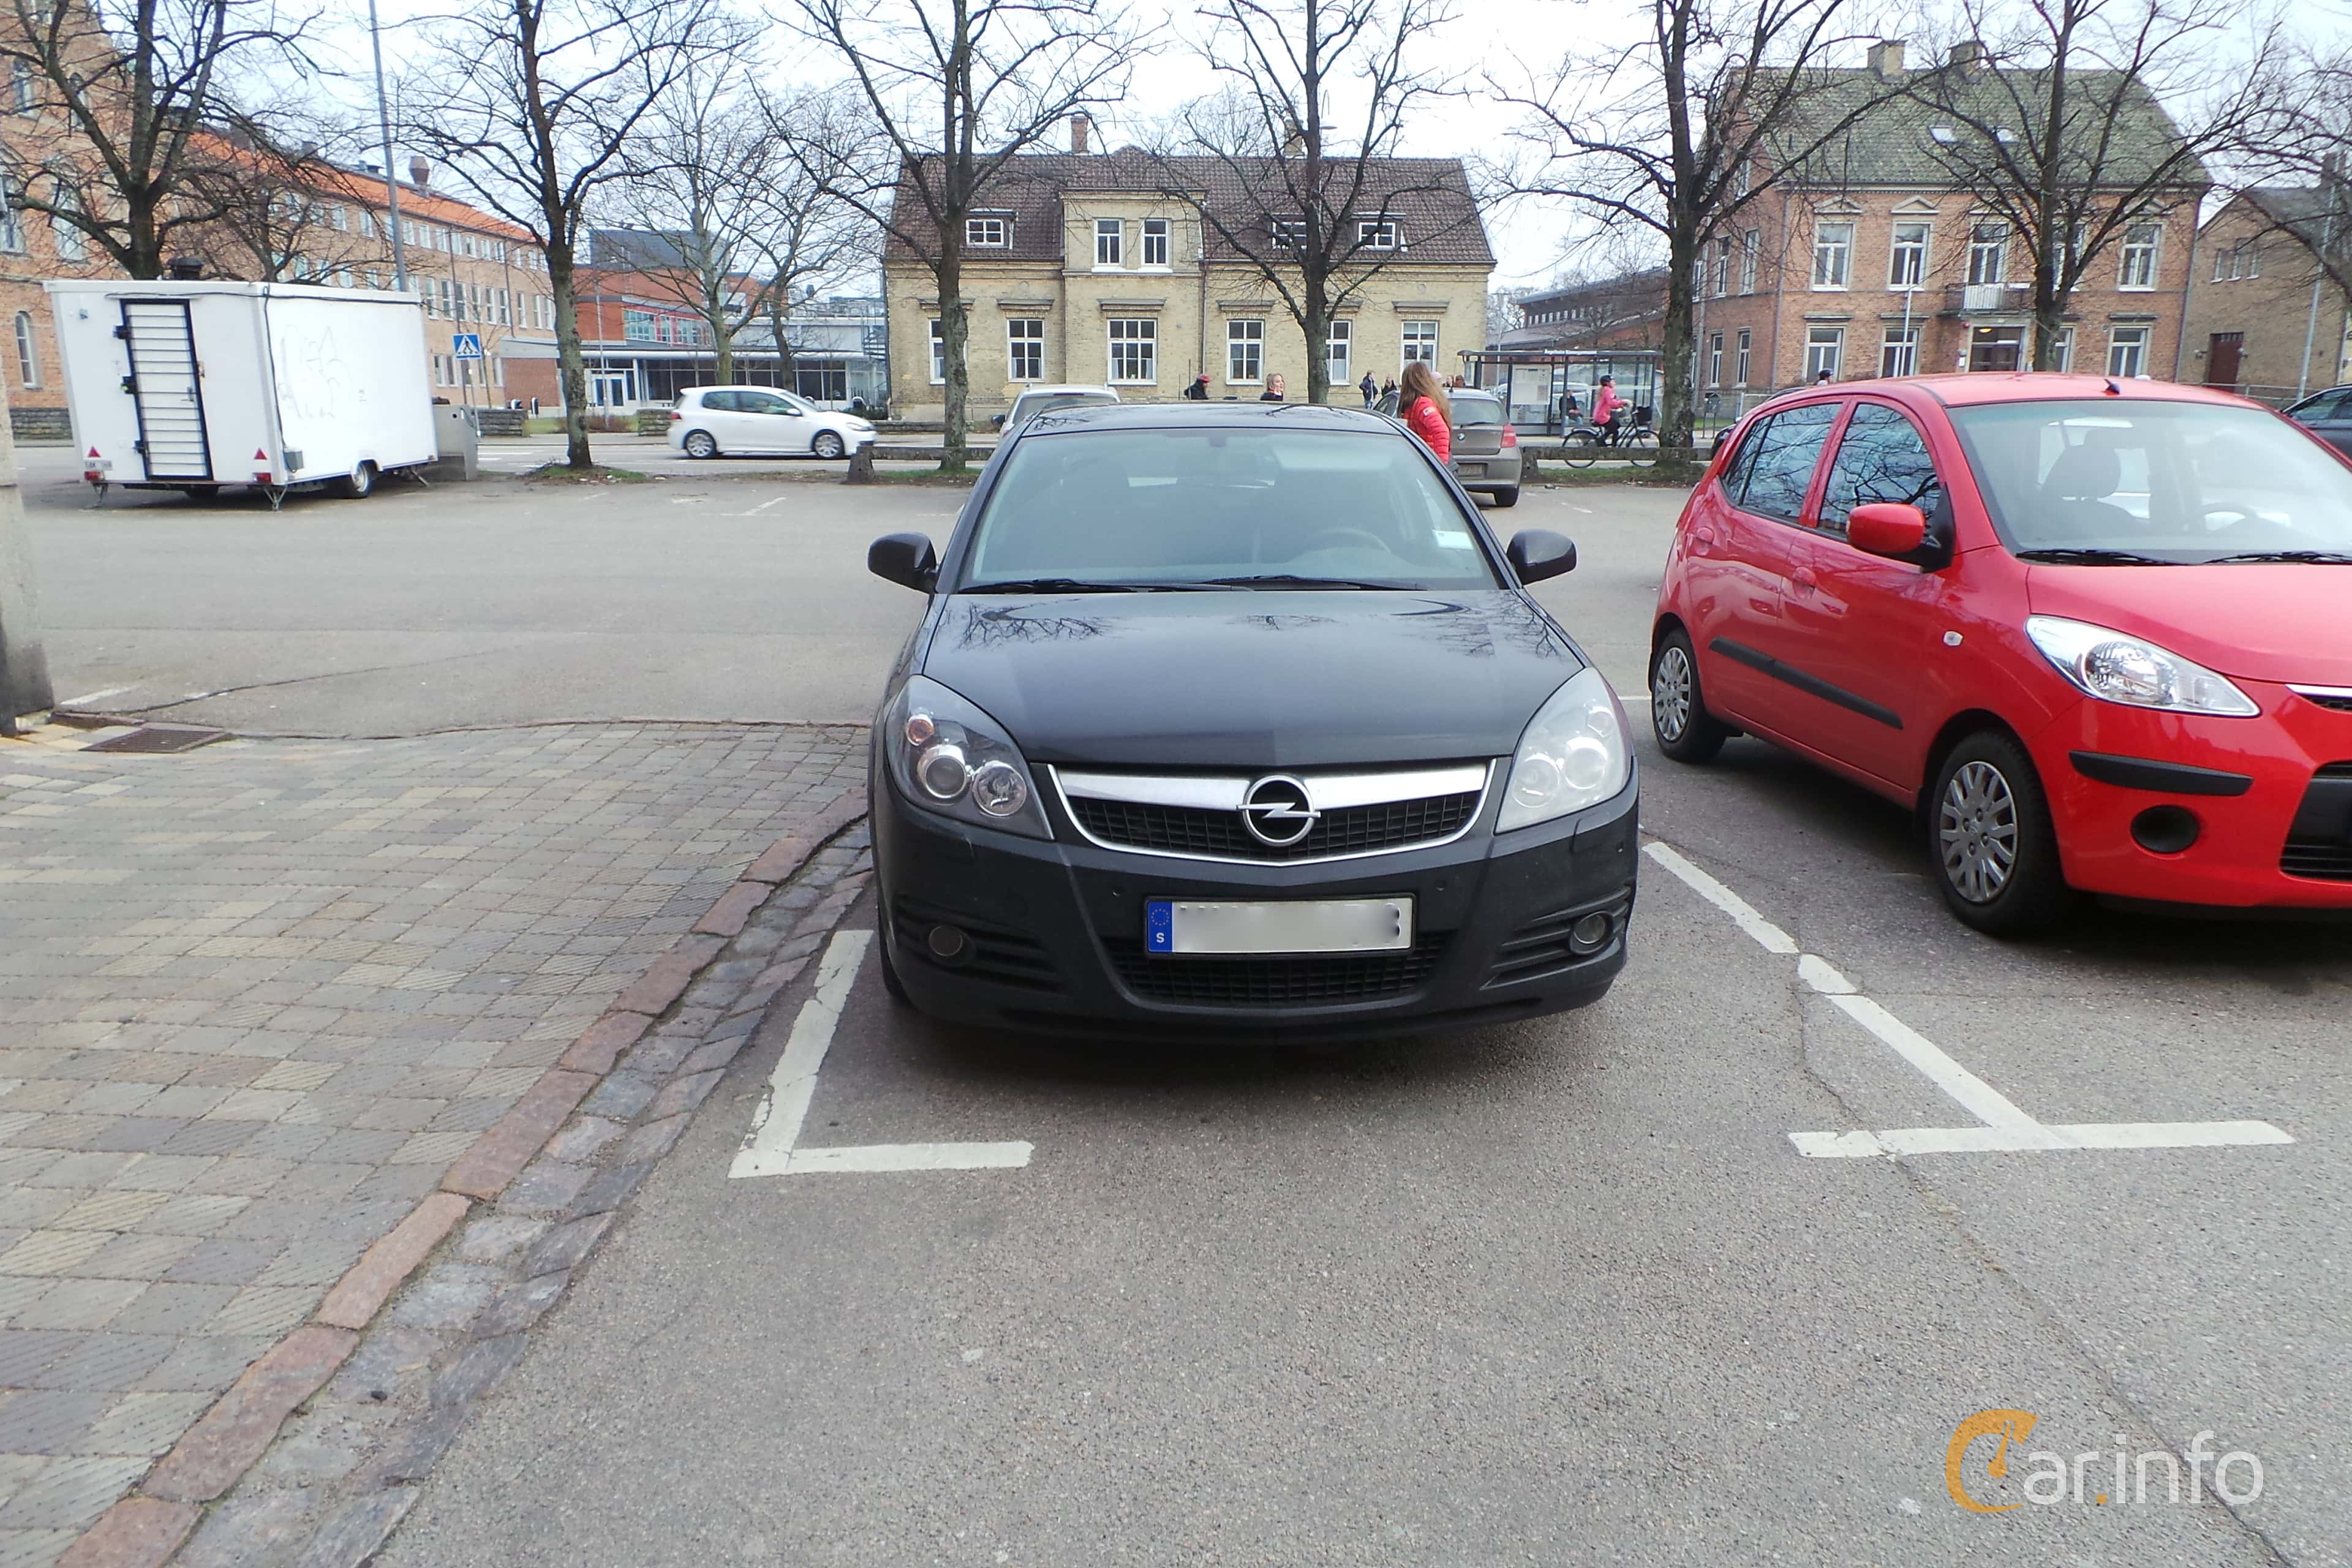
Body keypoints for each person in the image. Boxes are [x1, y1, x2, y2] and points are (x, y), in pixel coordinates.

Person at [1398, 360, 1451, 462]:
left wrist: (1440, 464)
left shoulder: (1422, 404)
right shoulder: (1424, 401)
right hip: (1423, 459)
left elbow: (1441, 431)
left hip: (1425, 460)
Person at [1591, 374, 1624, 445]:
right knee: (1615, 429)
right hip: (1602, 416)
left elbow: (1609, 403)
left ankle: (1602, 439)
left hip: (1600, 415)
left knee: (1616, 426)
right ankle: (1613, 449)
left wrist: (1620, 405)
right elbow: (1611, 402)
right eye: (1613, 381)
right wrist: (1624, 402)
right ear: (1607, 383)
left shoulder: (1604, 390)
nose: (1614, 383)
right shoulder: (1607, 390)